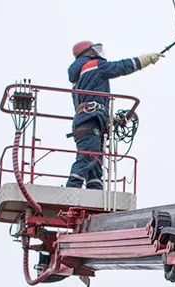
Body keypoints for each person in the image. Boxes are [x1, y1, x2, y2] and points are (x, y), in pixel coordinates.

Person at [67, 41, 162, 190]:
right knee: (88, 156)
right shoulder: (93, 65)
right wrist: (143, 60)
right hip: (90, 120)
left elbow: (89, 102)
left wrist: (109, 118)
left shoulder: (78, 78)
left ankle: (94, 192)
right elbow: (119, 67)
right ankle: (71, 190)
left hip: (87, 120)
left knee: (95, 163)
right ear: (88, 52)